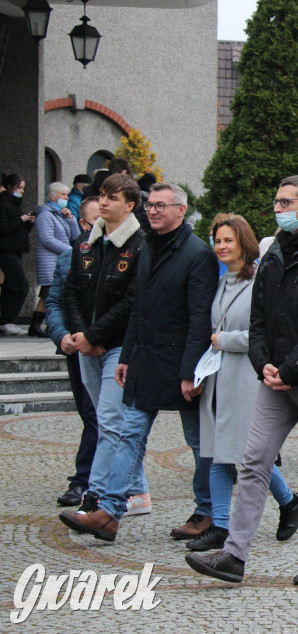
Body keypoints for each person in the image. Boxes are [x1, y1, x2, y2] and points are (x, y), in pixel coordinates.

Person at [185, 175, 298, 585]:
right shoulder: (275, 251)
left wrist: (291, 369)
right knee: (253, 461)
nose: (278, 209)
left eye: (285, 202)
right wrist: (265, 365)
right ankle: (233, 556)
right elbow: (260, 319)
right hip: (275, 378)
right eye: (276, 202)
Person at [59, 182, 219, 543]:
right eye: (151, 205)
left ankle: (207, 512)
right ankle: (110, 512)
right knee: (129, 435)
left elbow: (199, 320)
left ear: (181, 210)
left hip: (181, 364)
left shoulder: (197, 254)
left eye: (163, 206)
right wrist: (127, 356)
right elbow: (138, 309)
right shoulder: (146, 247)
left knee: (198, 443)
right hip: (146, 359)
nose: (154, 211)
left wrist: (190, 373)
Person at [189, 214, 298, 553]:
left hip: (244, 375)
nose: (221, 246)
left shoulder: (260, 281)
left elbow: (264, 332)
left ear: (243, 242)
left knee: (245, 452)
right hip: (217, 376)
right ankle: (222, 524)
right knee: (216, 452)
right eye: (217, 240)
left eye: (228, 240)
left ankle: (287, 501)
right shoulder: (222, 280)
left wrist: (225, 340)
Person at [59, 175, 148, 517]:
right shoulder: (86, 243)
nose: (104, 202)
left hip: (119, 347)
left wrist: (95, 336)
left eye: (113, 197)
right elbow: (70, 291)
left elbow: (131, 302)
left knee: (110, 422)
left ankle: (95, 497)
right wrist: (82, 336)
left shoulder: (140, 245)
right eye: (102, 195)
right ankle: (137, 491)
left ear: (129, 205)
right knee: (105, 419)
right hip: (87, 346)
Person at [46, 196, 99, 507]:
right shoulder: (69, 257)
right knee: (88, 413)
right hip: (74, 347)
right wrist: (61, 335)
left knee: (97, 414)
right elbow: (54, 302)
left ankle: (85, 480)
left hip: (105, 346)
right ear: (83, 224)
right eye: (97, 223)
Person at [31, 182, 81, 337]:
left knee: (50, 293)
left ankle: (43, 324)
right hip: (50, 260)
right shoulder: (45, 214)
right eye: (63, 195)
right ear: (53, 196)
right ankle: (36, 325)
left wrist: (71, 219)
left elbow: (75, 236)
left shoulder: (59, 214)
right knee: (48, 293)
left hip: (60, 259)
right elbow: (47, 239)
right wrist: (70, 251)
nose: (66, 198)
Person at [0, 173, 34, 335]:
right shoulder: (4, 203)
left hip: (14, 249)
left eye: (23, 188)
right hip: (5, 250)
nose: (21, 191)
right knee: (20, 284)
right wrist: (21, 220)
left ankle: (6, 320)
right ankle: (6, 319)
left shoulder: (14, 204)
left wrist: (27, 223)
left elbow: (16, 231)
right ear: (10, 187)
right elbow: (4, 229)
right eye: (19, 187)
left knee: (11, 285)